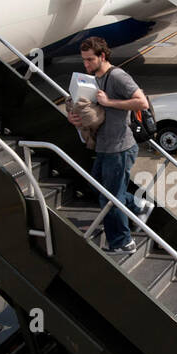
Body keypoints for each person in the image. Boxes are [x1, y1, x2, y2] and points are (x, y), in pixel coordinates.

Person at [67, 37, 149, 254]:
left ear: (102, 56)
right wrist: (75, 118)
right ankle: (139, 205)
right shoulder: (93, 79)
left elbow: (142, 102)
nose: (86, 64)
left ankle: (123, 242)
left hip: (120, 147)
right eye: (84, 60)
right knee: (100, 189)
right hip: (104, 146)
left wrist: (109, 102)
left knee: (110, 198)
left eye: (90, 60)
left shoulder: (118, 76)